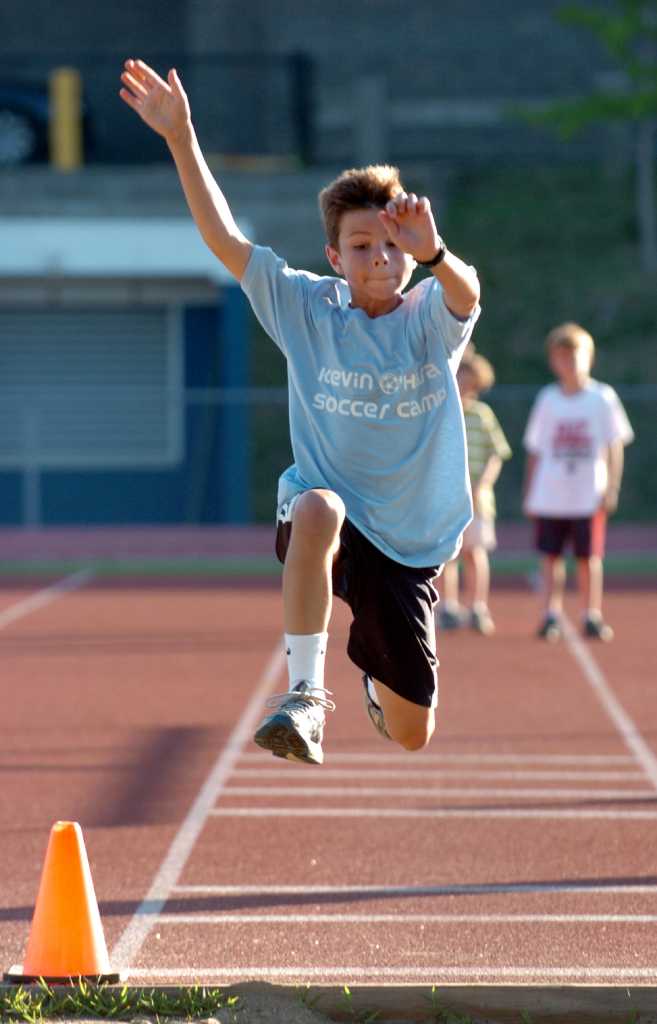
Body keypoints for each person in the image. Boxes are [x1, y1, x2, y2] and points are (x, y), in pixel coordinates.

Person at [120, 59, 481, 764]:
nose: (378, 258)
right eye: (359, 246)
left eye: (388, 244)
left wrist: (433, 252)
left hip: (409, 543)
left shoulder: (428, 315)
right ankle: (305, 697)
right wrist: (180, 137)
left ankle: (380, 693)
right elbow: (225, 240)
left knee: (412, 734)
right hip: (330, 517)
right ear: (333, 256)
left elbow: (466, 294)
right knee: (316, 506)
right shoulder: (306, 307)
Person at [523, 322, 633, 642]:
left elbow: (615, 446)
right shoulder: (547, 399)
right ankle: (551, 614)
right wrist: (530, 493)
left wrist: (612, 486)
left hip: (588, 494)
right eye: (561, 357)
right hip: (551, 494)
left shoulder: (602, 398)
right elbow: (536, 449)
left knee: (589, 558)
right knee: (550, 557)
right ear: (553, 361)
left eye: (574, 356)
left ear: (589, 357)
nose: (568, 363)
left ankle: (591, 614)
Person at [438, 350, 511, 636]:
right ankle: (449, 607)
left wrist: (483, 485)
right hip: (445, 498)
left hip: (478, 500)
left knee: (474, 553)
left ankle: (478, 607)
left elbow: (498, 452)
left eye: (468, 380)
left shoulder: (482, 415)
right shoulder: (442, 410)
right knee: (448, 555)